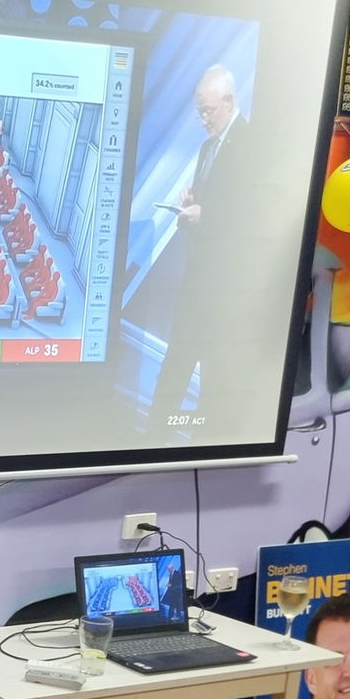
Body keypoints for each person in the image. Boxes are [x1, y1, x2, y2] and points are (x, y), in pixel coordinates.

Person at [148, 64, 252, 427]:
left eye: (207, 110)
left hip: (225, 291)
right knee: (174, 364)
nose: (203, 119)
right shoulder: (209, 147)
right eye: (199, 112)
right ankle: (150, 441)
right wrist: (190, 205)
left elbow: (253, 217)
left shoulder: (251, 145)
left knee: (214, 378)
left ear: (229, 101)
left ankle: (201, 449)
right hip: (197, 281)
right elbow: (208, 210)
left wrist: (204, 214)